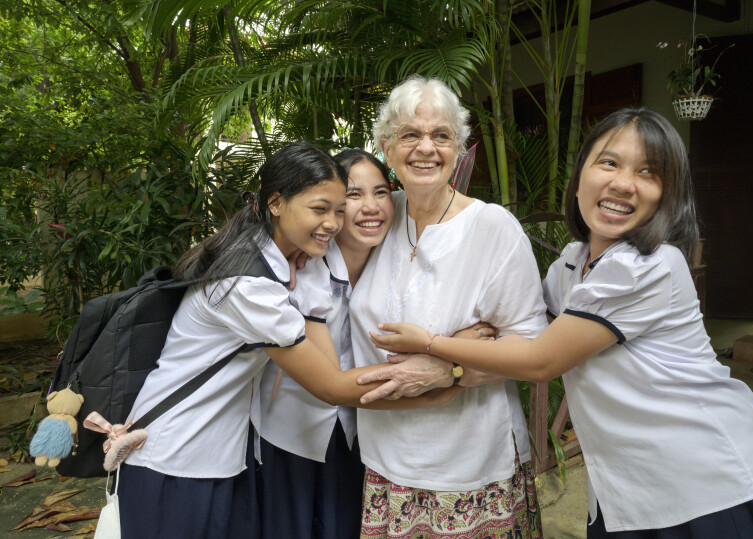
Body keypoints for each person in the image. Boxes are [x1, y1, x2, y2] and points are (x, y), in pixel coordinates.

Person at [365, 107, 753, 538]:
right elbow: (522, 328)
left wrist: (433, 344)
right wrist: (473, 342)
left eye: (648, 172)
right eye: (609, 163)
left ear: (667, 195)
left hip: (709, 480)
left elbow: (539, 359)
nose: (623, 183)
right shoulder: (571, 264)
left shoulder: (650, 267)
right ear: (579, 179)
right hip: (627, 486)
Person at [117, 142, 459, 539]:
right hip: (175, 457)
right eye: (320, 209)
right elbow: (331, 386)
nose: (332, 223)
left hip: (217, 456)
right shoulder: (250, 286)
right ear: (276, 203)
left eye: (338, 210)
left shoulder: (266, 256)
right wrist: (442, 378)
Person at [349, 76, 545, 538]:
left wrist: (449, 369)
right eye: (410, 134)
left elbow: (531, 349)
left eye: (441, 135)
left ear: (458, 149)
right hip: (386, 462)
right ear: (386, 148)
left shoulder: (492, 227)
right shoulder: (378, 216)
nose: (426, 148)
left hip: (471, 466)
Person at [256, 149, 395, 539]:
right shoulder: (300, 269)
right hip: (289, 431)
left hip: (359, 429)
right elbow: (330, 381)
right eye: (353, 195)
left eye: (381, 192)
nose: (370, 207)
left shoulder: (397, 261)